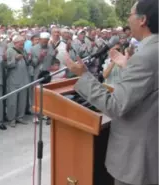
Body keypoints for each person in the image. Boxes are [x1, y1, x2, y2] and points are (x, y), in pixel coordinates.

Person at [65, 1, 159, 185]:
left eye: (130, 15)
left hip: (137, 159)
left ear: (143, 20)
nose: (128, 20)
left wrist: (83, 75)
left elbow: (115, 106)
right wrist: (128, 66)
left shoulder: (146, 57)